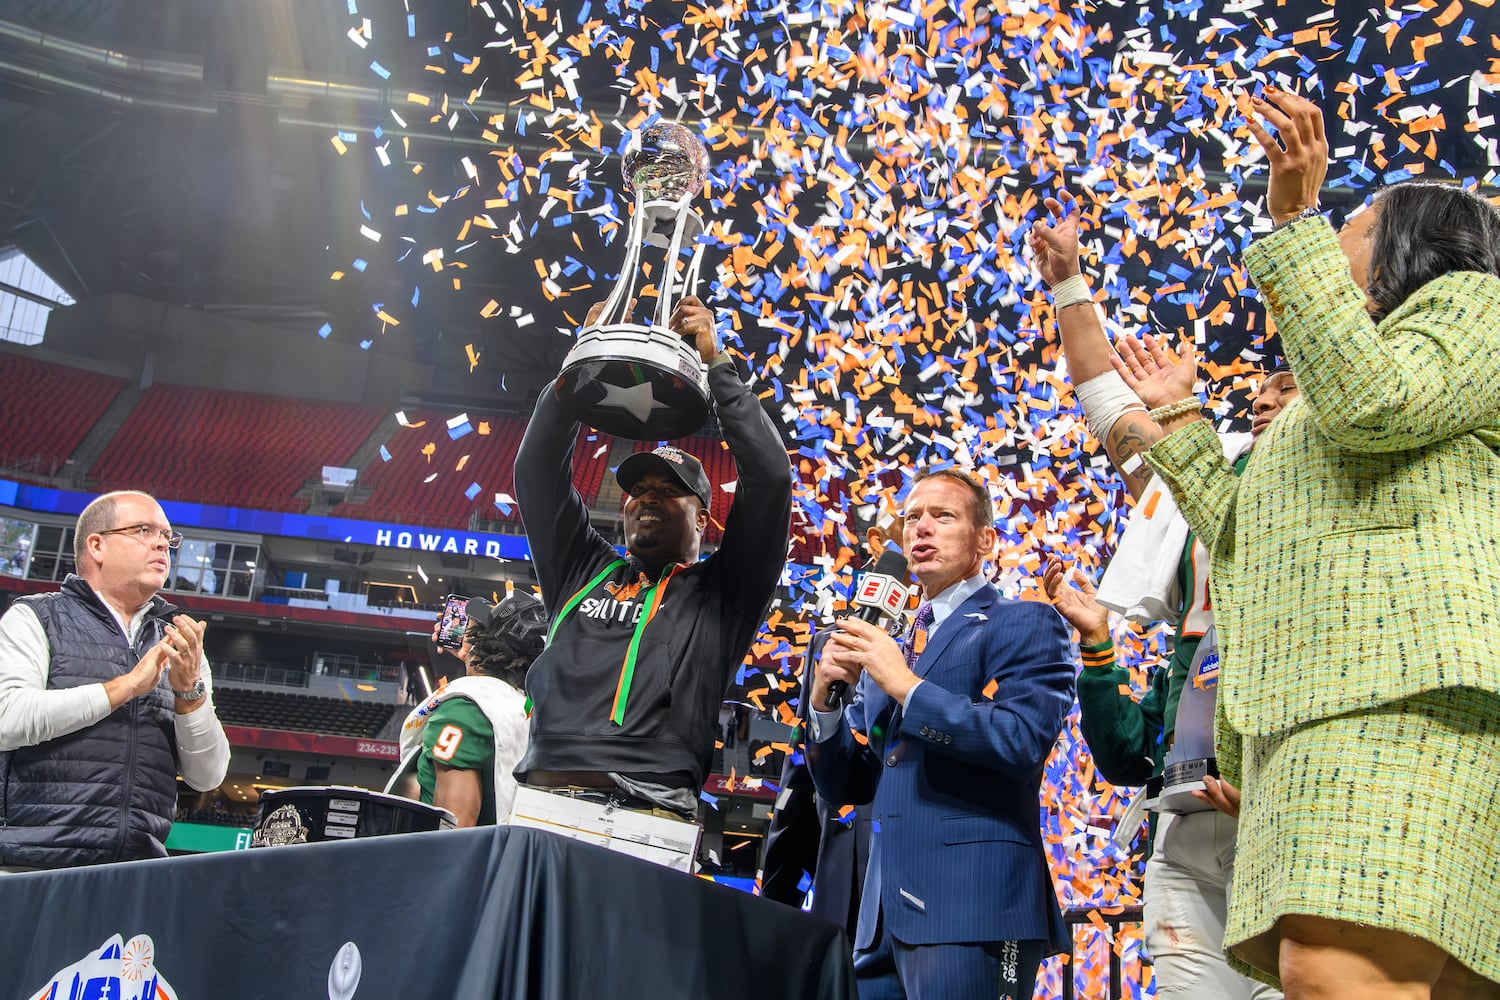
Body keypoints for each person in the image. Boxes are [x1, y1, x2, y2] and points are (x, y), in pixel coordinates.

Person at [1120, 88, 1500, 998]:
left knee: (1333, 972)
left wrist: (1292, 216)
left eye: (1353, 228)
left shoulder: (1475, 310)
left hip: (1397, 698)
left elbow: (1375, 404)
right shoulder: (1336, 386)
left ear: (1410, 252)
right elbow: (1251, 541)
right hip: (1317, 712)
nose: (1332, 242)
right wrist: (1178, 421)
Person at [1029, 188, 1294, 998]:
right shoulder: (1206, 476)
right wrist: (1069, 285)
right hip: (1182, 811)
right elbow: (1108, 406)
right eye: (1252, 400)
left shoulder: (1350, 490)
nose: (1260, 403)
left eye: (1282, 392)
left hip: (1288, 816)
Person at [513, 293, 792, 818]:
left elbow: (772, 477)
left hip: (652, 803)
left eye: (670, 489)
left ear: (704, 518)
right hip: (542, 786)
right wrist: (582, 362)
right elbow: (535, 470)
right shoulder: (581, 568)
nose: (648, 498)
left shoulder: (725, 590)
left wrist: (716, 365)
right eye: (638, 489)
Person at [805, 467, 1075, 1000]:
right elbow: (851, 785)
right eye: (912, 517)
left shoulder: (1022, 622)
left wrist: (905, 684)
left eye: (942, 516)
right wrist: (824, 708)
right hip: (881, 919)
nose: (920, 528)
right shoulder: (895, 641)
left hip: (974, 910)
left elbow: (1019, 742)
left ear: (985, 540)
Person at [0, 490, 230, 869]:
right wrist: (127, 686)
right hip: (30, 864)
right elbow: (8, 719)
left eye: (168, 538)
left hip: (134, 873)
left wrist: (190, 694)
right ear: (97, 545)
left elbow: (208, 776)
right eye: (143, 530)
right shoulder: (35, 617)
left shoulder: (180, 643)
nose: (162, 543)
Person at [388, 593, 543, 827]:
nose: (464, 634)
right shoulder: (526, 706)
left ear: (480, 646)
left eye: (473, 631)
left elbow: (457, 826)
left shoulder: (463, 711)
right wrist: (472, 653)